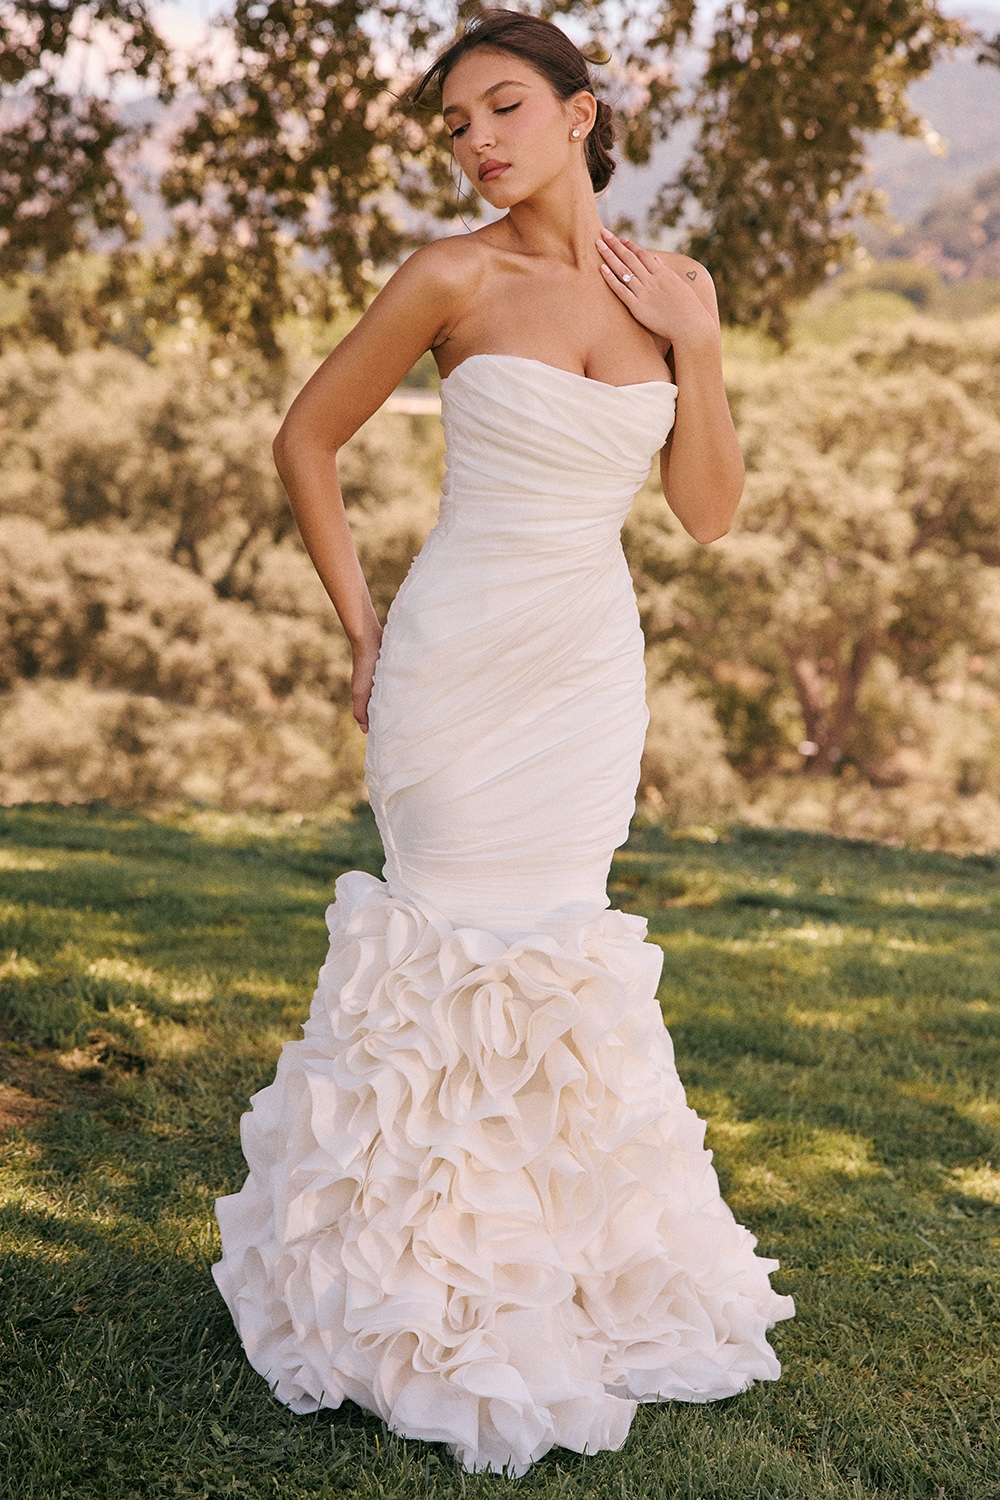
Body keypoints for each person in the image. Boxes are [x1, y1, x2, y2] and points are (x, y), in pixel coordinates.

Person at [212, 8, 794, 1476]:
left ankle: (556, 1275)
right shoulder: (447, 274)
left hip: (590, 671)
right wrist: (364, 629)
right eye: (455, 122)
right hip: (459, 660)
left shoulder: (671, 290)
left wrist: (702, 343)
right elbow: (306, 440)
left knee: (559, 951)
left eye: (501, 108)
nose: (475, 141)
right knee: (450, 952)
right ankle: (404, 1288)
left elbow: (710, 517)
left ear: (581, 114)